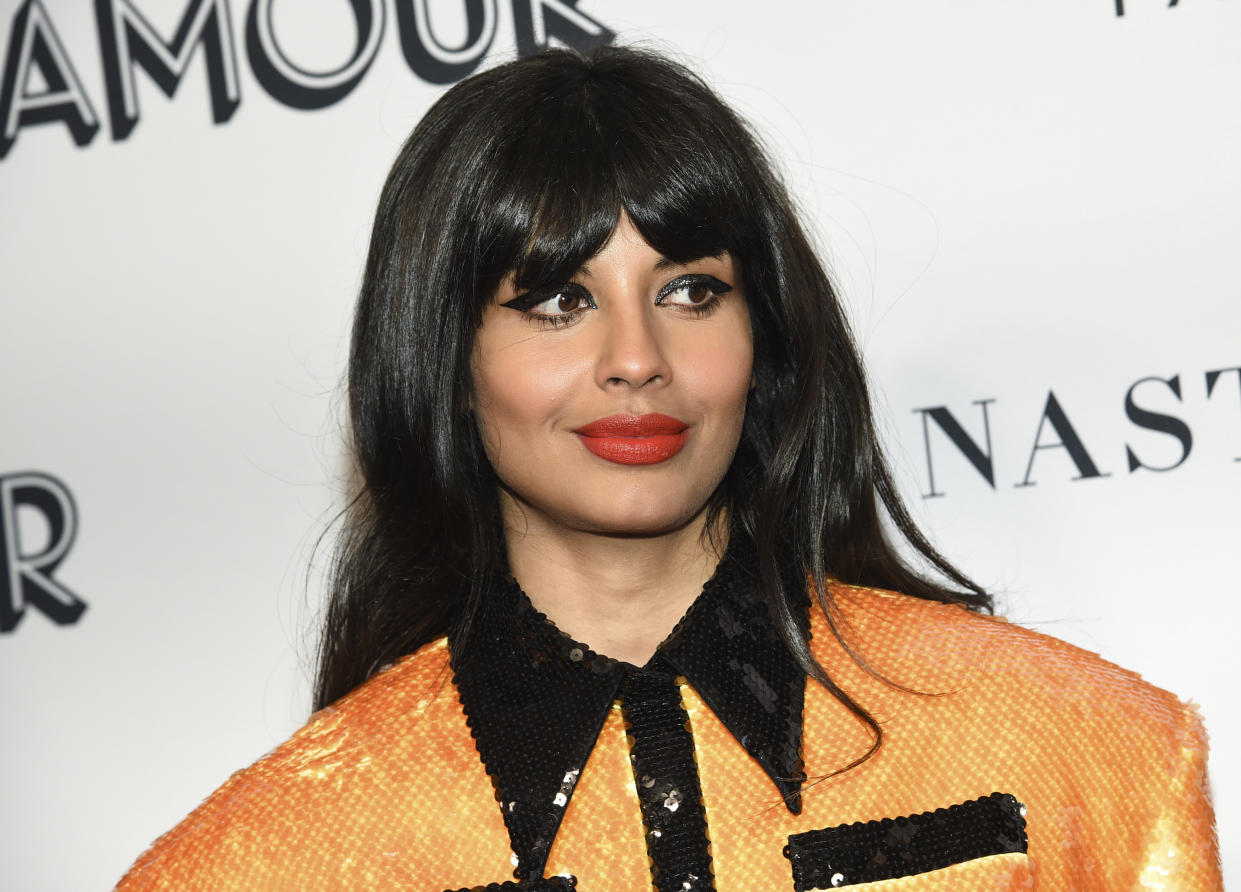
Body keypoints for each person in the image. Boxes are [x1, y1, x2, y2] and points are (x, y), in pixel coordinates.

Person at [116, 46, 1221, 891]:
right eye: (556, 301)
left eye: (691, 290)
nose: (636, 360)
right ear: (444, 359)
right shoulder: (262, 862)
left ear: (765, 337)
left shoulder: (1089, 752)